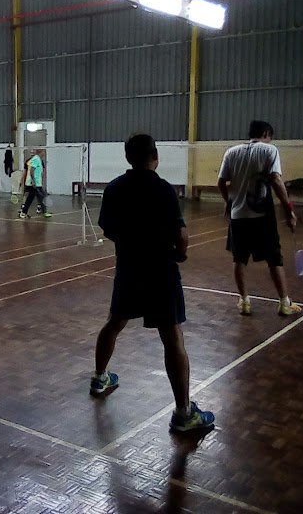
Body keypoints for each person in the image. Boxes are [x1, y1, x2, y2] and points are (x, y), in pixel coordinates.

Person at [91, 133, 214, 433]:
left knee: (114, 323)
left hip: (129, 269)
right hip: (161, 272)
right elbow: (180, 236)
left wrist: (130, 244)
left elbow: (108, 228)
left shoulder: (115, 188)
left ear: (128, 157)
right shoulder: (162, 189)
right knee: (172, 338)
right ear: (154, 155)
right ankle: (184, 414)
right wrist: (180, 253)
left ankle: (99, 377)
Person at [217, 120, 301, 317]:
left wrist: (229, 202)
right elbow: (276, 180)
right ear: (265, 134)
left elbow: (221, 182)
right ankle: (283, 302)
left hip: (238, 215)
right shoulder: (269, 150)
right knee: (274, 258)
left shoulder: (231, 152)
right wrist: (289, 209)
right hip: (263, 215)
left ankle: (244, 301)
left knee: (239, 258)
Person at [19, 148, 51, 219]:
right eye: (43, 152)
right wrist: (33, 181)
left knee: (31, 198)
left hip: (36, 183)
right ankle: (44, 212)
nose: (44, 153)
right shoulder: (36, 159)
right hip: (34, 183)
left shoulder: (38, 159)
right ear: (40, 152)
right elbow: (32, 170)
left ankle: (23, 212)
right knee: (41, 197)